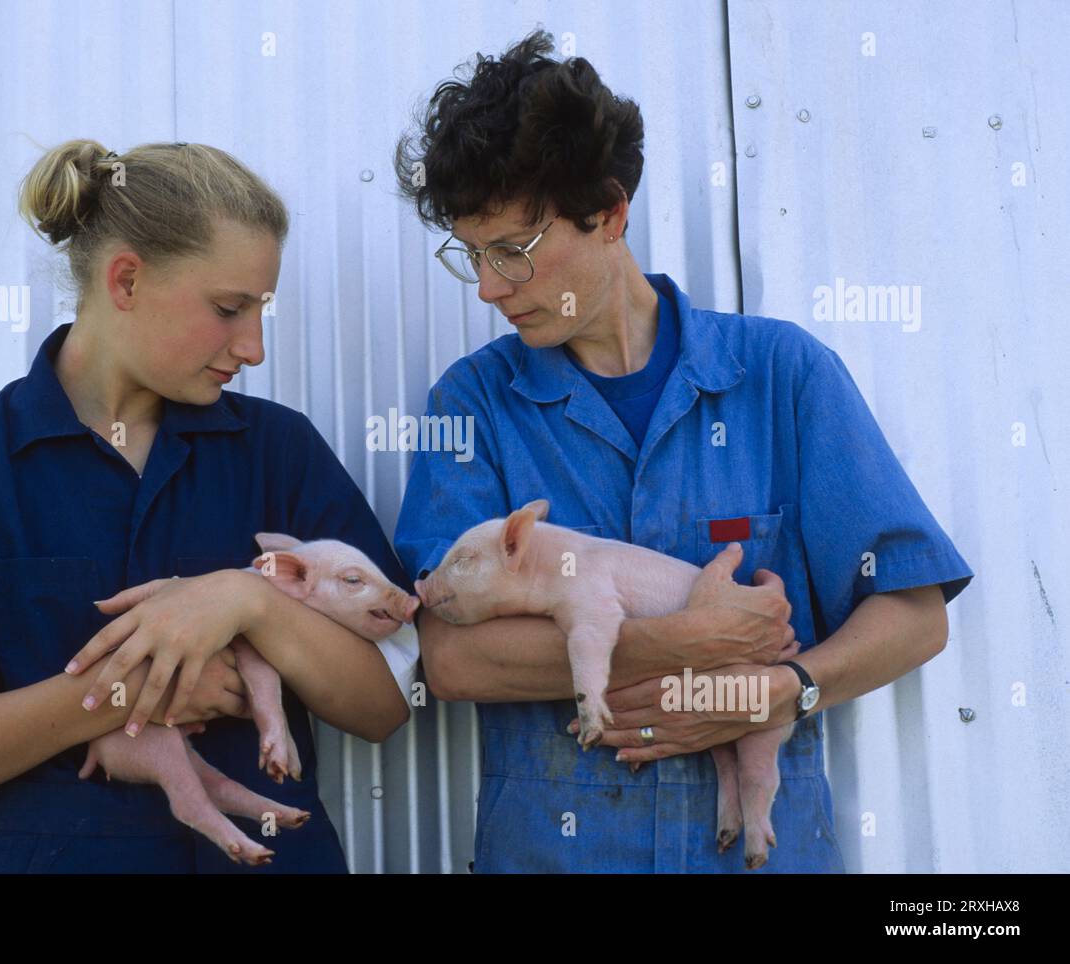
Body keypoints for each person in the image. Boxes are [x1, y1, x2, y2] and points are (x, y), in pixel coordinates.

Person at [391, 30, 973, 873]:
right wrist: (687, 645)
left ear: (611, 212)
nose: (488, 287)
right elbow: (451, 655)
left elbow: (914, 616)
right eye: (471, 256)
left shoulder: (782, 375)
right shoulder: (473, 404)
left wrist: (782, 690)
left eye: (513, 251)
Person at [0, 139, 417, 873]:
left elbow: (385, 705)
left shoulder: (280, 452)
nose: (255, 348)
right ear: (127, 280)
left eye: (260, 311)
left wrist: (246, 601)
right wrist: (123, 692)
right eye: (230, 308)